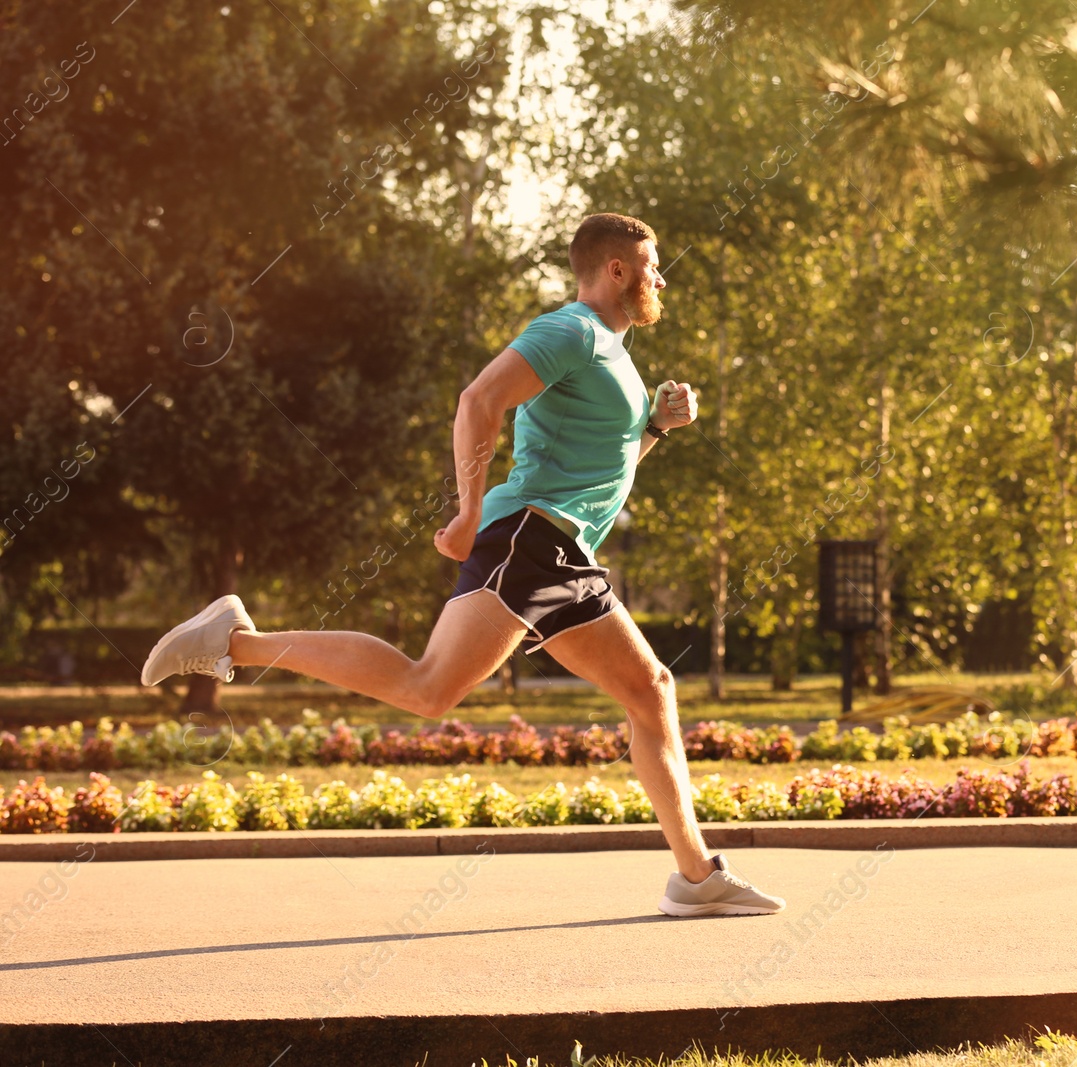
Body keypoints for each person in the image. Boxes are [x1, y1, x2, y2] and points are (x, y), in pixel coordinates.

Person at [140, 213, 784, 918]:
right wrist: (470, 509)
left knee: (625, 689)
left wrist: (656, 426)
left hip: (556, 546)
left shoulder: (615, 357)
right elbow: (478, 400)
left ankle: (695, 875)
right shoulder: (571, 330)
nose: (661, 278)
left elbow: (600, 470)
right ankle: (234, 641)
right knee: (455, 687)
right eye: (652, 265)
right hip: (532, 539)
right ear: (618, 270)